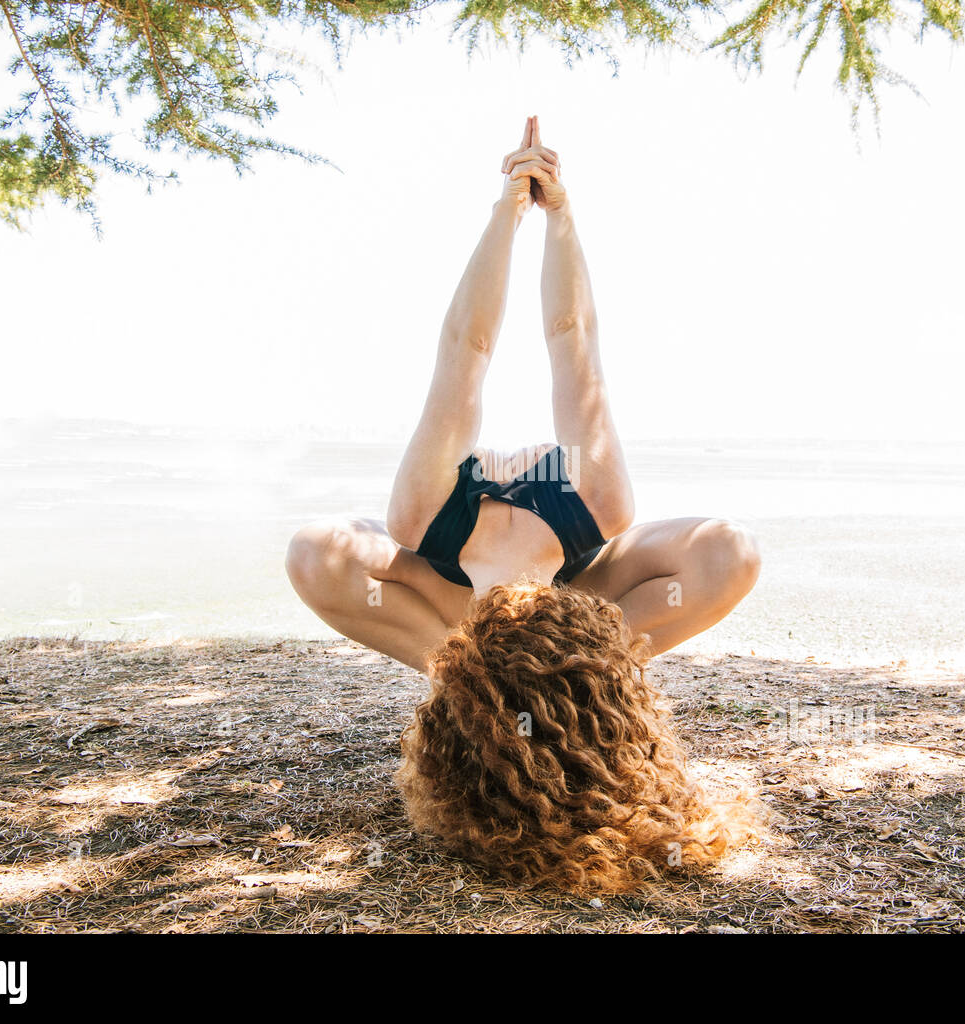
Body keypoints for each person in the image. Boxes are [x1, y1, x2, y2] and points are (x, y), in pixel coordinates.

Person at [286, 117, 763, 890]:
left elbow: (464, 352)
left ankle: (467, 681)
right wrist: (560, 217)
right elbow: (573, 339)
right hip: (579, 620)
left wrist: (509, 212)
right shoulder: (594, 504)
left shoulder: (424, 517)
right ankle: (567, 677)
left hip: (455, 617)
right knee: (730, 550)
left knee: (313, 551)